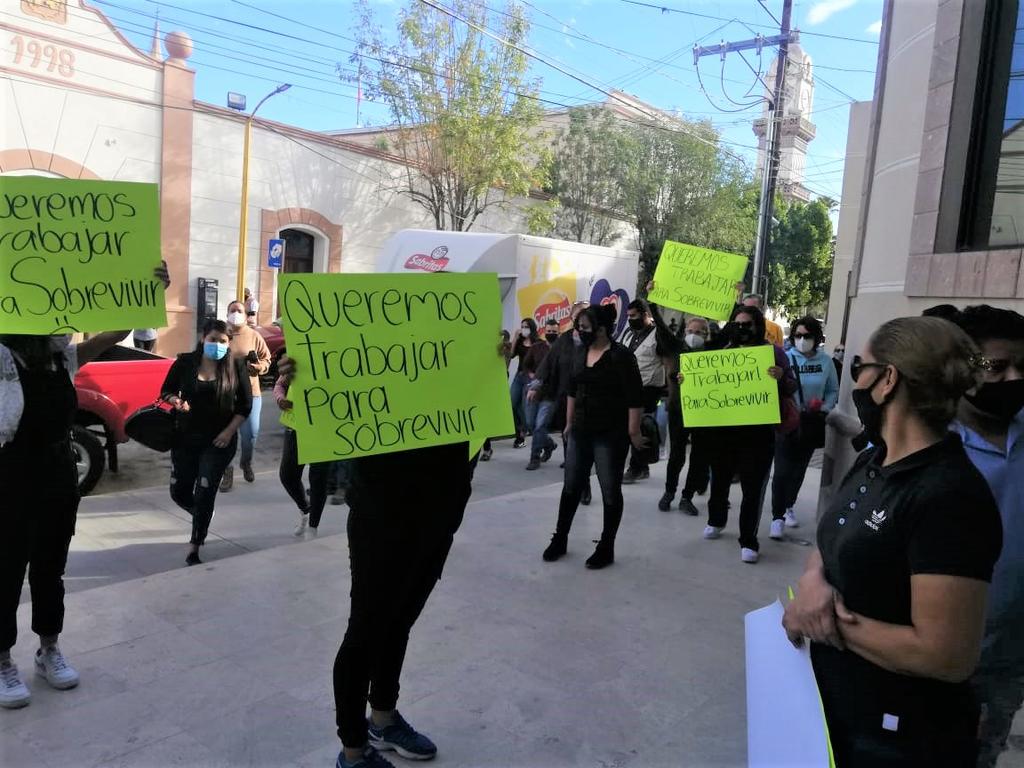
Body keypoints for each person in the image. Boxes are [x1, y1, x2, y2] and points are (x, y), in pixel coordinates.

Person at [782, 316, 1003, 767]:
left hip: (898, 739)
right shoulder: (874, 460)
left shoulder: (949, 495)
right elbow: (836, 535)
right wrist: (814, 582)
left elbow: (946, 654)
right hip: (835, 713)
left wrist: (824, 622)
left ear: (887, 380)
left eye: (860, 366)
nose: (855, 378)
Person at [276, 356, 477, 768]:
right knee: (367, 627)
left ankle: (382, 717)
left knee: (401, 619)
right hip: (382, 507)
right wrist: (306, 372)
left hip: (443, 503)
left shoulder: (452, 331)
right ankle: (353, 750)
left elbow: (483, 415)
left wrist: (491, 360)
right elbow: (330, 399)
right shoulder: (374, 338)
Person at [0, 263, 170, 710]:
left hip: (57, 471)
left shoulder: (60, 357)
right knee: (5, 568)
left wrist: (147, 291)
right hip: (9, 474)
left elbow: (106, 339)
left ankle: (48, 648)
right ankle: (2, 660)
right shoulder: (1, 357)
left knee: (50, 566)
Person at [948, 305, 1024, 768]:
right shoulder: (918, 443)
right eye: (997, 367)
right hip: (934, 657)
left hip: (1009, 653)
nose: (1014, 378)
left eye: (1023, 367)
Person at [542, 304, 644, 569]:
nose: (579, 331)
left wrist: (634, 432)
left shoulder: (621, 357)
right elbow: (572, 389)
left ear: (601, 329)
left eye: (584, 328)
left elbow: (635, 397)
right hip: (579, 430)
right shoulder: (580, 352)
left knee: (610, 490)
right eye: (578, 327)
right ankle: (560, 538)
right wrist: (568, 423)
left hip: (611, 433)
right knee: (571, 486)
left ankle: (606, 546)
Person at [701, 305, 796, 563]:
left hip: (758, 433)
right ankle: (716, 520)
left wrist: (780, 377)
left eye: (748, 324)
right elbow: (705, 383)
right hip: (724, 431)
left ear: (758, 327)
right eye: (738, 324)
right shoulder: (724, 352)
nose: (742, 329)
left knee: (752, 488)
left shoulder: (774, 353)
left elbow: (791, 384)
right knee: (719, 480)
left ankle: (748, 540)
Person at [161, 319, 252, 566]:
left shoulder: (236, 365)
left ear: (229, 343)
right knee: (179, 492)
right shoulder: (185, 362)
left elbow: (245, 405)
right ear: (203, 338)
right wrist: (176, 402)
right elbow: (165, 391)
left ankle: (195, 546)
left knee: (204, 491)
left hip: (219, 441)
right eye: (213, 339)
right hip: (185, 438)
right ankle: (202, 514)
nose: (217, 345)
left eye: (223, 341)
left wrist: (228, 432)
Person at [769, 316, 839, 538]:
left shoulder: (826, 362)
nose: (801, 340)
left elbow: (832, 390)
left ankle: (789, 505)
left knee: (799, 470)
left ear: (816, 337)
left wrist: (825, 407)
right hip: (787, 422)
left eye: (806, 336)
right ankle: (777, 517)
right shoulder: (786, 358)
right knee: (781, 471)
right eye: (797, 335)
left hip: (811, 423)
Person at [649, 303, 711, 515]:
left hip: (704, 412)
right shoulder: (677, 347)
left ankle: (687, 496)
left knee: (699, 456)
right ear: (684, 332)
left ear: (706, 335)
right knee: (677, 455)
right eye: (690, 331)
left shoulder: (713, 354)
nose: (694, 335)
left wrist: (737, 299)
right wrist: (653, 305)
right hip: (678, 410)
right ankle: (669, 493)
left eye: (699, 332)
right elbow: (661, 327)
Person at [530, 303, 592, 503]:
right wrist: (535, 385)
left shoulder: (598, 339)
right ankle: (574, 484)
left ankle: (584, 484)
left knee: (583, 444)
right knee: (570, 442)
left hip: (590, 400)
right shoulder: (564, 340)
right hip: (566, 398)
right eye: (577, 315)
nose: (580, 319)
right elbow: (548, 363)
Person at [220, 300, 270, 491]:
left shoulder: (254, 335)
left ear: (246, 313)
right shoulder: (222, 335)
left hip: (251, 393)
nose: (236, 313)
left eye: (239, 310)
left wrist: (258, 367)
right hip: (225, 393)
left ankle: (246, 463)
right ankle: (227, 470)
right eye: (232, 310)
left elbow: (266, 359)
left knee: (250, 435)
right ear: (227, 313)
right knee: (226, 434)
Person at [275, 374, 332, 537]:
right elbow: (280, 385)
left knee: (318, 478)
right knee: (287, 476)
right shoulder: (297, 356)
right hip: (296, 426)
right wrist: (280, 399)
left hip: (325, 428)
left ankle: (313, 526)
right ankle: (305, 509)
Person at [617, 299, 666, 484]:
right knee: (631, 426)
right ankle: (642, 466)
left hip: (649, 388)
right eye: (628, 316)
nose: (630, 319)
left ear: (645, 315)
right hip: (628, 387)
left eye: (634, 316)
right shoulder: (629, 334)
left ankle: (636, 467)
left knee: (638, 426)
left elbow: (667, 361)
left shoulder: (658, 335)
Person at [522, 320, 556, 470]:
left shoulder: (560, 349)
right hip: (533, 392)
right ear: (544, 331)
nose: (551, 334)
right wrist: (531, 376)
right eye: (549, 331)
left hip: (549, 394)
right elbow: (526, 364)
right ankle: (549, 444)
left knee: (540, 425)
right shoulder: (537, 347)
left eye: (554, 332)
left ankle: (534, 457)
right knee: (530, 424)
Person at [509, 319, 539, 449]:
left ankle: (522, 434)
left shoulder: (537, 343)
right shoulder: (521, 340)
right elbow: (511, 354)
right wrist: (515, 337)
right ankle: (520, 430)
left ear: (532, 328)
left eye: (526, 326)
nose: (524, 329)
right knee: (512, 403)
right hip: (519, 375)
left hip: (530, 378)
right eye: (522, 326)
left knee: (524, 406)